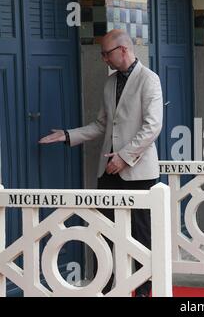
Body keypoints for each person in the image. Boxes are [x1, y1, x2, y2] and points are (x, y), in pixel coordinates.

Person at [39, 29, 163, 296]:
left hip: (138, 171)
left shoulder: (149, 79)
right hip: (107, 171)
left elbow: (152, 127)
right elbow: (101, 125)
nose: (103, 59)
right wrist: (68, 135)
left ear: (123, 50)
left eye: (106, 53)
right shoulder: (109, 83)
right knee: (102, 232)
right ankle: (104, 288)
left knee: (140, 236)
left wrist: (124, 157)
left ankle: (142, 290)